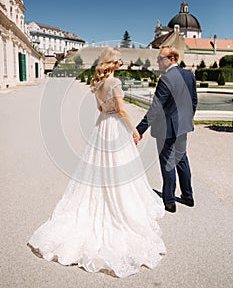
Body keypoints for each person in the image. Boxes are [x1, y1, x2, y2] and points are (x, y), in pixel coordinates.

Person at [27, 47, 166, 278]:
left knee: (100, 171)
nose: (121, 64)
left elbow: (101, 108)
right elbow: (121, 110)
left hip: (102, 127)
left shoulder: (98, 84)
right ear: (111, 63)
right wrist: (134, 131)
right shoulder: (114, 82)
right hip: (115, 129)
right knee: (118, 171)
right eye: (119, 61)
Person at [136, 46, 198, 213]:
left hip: (166, 129)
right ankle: (188, 196)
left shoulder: (166, 79)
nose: (158, 61)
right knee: (182, 159)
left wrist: (139, 129)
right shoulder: (189, 76)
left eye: (160, 58)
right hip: (182, 127)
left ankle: (169, 201)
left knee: (168, 163)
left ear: (172, 59)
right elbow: (194, 101)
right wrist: (186, 120)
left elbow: (156, 108)